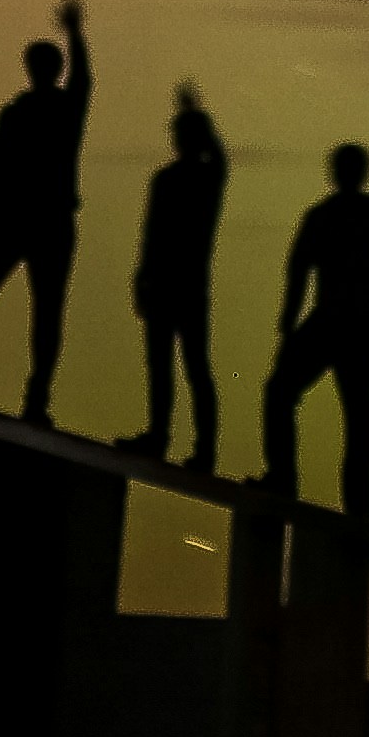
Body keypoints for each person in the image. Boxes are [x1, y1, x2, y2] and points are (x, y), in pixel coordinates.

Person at [258, 110, 369, 520]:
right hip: (349, 322)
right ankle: (348, 498)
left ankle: (295, 481)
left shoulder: (332, 214)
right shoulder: (351, 213)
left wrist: (288, 322)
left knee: (318, 401)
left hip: (340, 321)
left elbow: (298, 269)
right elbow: (298, 269)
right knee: (350, 409)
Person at [0, 0, 92, 422]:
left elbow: (84, 79)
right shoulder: (22, 112)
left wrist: (74, 33)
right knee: (12, 304)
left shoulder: (51, 109)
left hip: (41, 222)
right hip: (28, 222)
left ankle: (20, 397)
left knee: (34, 309)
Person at [116, 83, 230, 471]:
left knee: (194, 367)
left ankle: (203, 450)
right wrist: (143, 278)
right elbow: (151, 233)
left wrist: (196, 113)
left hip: (187, 286)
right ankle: (160, 437)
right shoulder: (167, 179)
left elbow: (219, 157)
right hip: (166, 284)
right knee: (164, 365)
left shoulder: (205, 177)